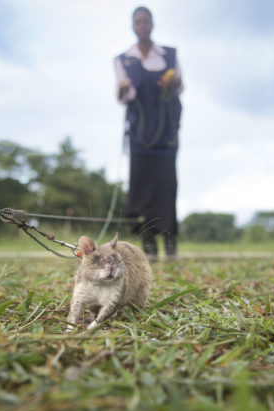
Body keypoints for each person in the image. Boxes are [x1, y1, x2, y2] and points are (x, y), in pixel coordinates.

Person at [114, 6, 184, 262]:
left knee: (167, 186)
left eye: (146, 21)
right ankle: (149, 245)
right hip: (140, 134)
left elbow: (180, 86)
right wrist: (123, 89)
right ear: (133, 26)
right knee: (142, 189)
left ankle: (171, 242)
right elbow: (124, 97)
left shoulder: (169, 55)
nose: (142, 25)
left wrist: (172, 81)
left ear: (152, 24)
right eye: (138, 22)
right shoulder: (123, 59)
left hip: (166, 133)